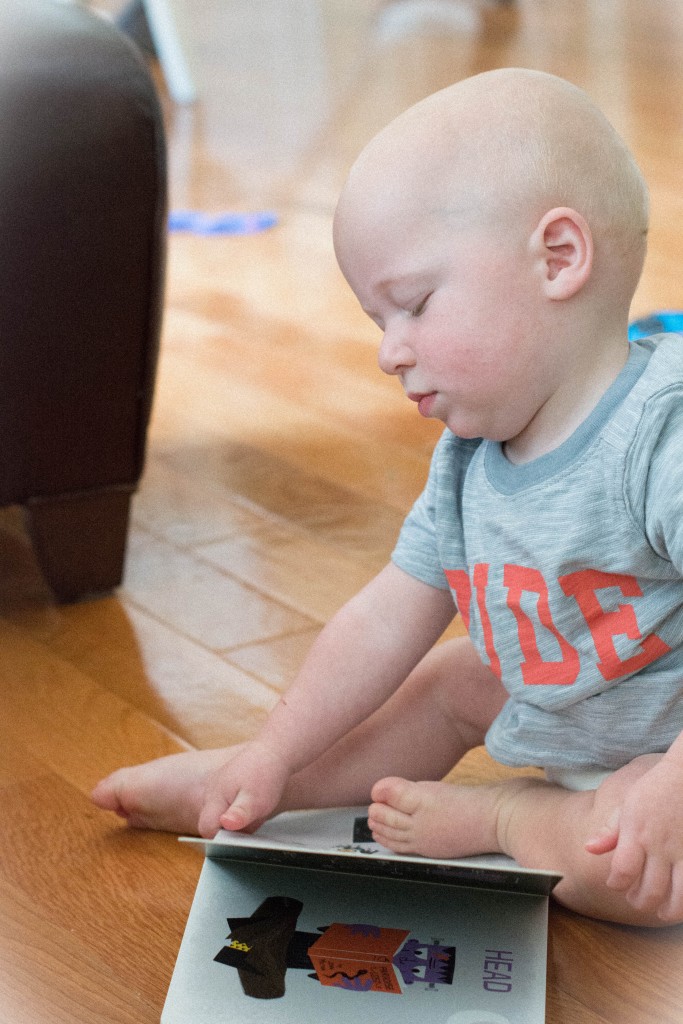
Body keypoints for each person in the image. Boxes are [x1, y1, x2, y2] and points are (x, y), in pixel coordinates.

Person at [92, 68, 683, 927]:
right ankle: (257, 788)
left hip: (659, 759)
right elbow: (383, 617)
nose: (389, 352)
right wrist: (275, 745)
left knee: (640, 878)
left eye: (411, 306)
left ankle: (510, 818)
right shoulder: (469, 458)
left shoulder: (660, 432)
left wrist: (669, 783)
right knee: (455, 674)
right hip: (574, 706)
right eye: (378, 323)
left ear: (558, 258)